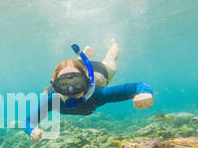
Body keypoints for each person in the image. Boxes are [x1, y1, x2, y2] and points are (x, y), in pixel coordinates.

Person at [25, 39, 154, 141]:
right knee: (71, 68)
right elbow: (28, 122)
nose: (71, 90)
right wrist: (32, 130)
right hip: (81, 70)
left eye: (77, 83)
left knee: (110, 61)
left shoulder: (98, 94)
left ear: (86, 81)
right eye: (63, 85)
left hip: (100, 73)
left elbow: (139, 86)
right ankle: (83, 56)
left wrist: (145, 93)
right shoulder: (51, 100)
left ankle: (113, 44)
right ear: (55, 87)